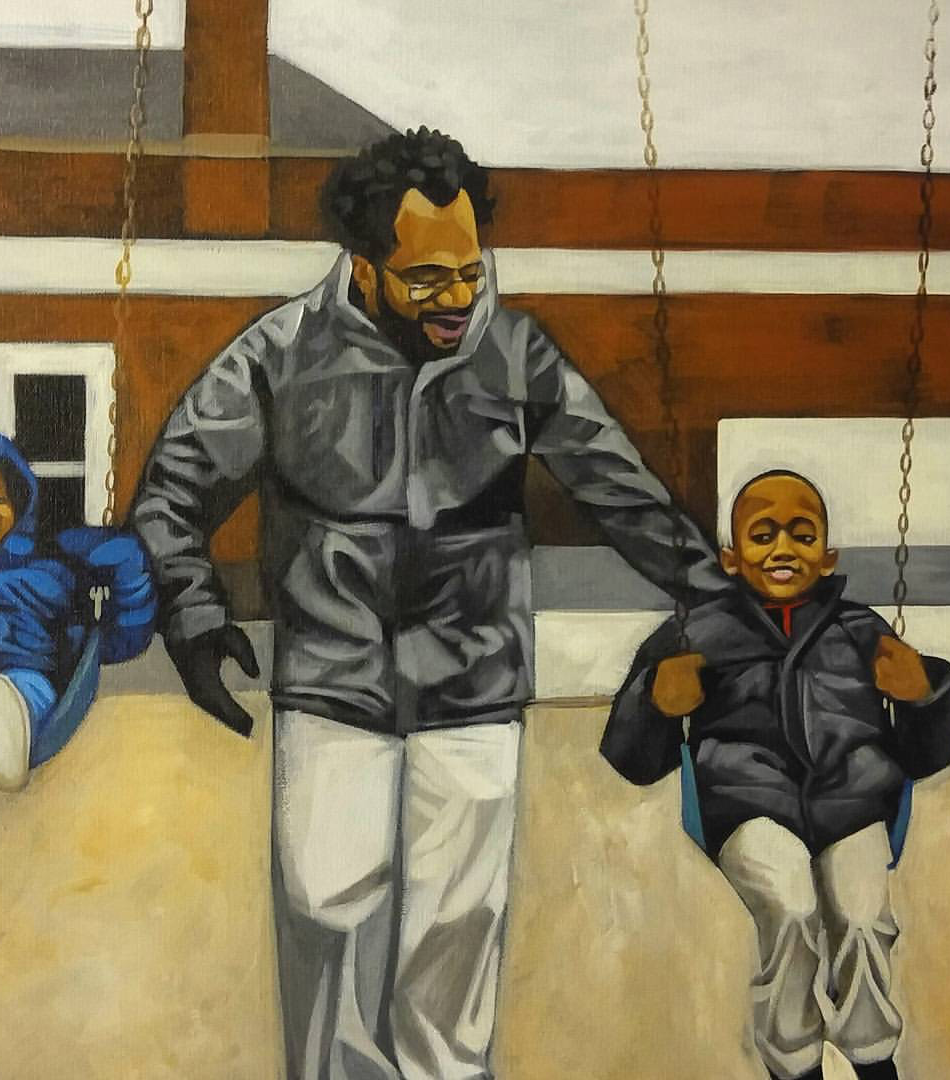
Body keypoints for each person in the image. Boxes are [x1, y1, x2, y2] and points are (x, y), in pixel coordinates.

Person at [132, 126, 729, 1079]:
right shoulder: (277, 355)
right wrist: (194, 615)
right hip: (331, 681)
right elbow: (172, 492)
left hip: (476, 684)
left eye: (469, 272)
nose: (457, 299)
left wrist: (713, 591)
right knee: (327, 915)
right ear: (364, 266)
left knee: (459, 933)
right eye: (428, 279)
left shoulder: (519, 354)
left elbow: (618, 488)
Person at [601, 470, 950, 1080]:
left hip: (853, 800)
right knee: (792, 909)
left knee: (863, 917)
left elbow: (923, 757)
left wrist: (923, 693)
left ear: (828, 555)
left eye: (802, 534)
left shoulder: (861, 629)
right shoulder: (697, 632)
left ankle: (873, 1057)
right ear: (732, 558)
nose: (783, 549)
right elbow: (633, 761)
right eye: (763, 535)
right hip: (747, 804)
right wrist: (656, 702)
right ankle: (795, 1064)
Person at [0, 429, 156, 790]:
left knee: (16, 694)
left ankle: (8, 743)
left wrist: (120, 638)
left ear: (18, 509)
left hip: (25, 669)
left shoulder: (45, 555)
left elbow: (124, 555)